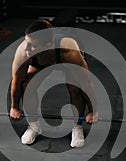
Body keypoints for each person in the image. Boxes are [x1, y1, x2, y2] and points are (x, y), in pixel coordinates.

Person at [9, 19, 97, 148]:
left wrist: (93, 111)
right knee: (27, 84)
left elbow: (86, 84)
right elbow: (16, 82)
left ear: (48, 45)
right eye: (26, 42)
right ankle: (34, 126)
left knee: (75, 87)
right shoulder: (23, 52)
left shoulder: (69, 51)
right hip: (41, 59)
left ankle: (77, 127)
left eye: (32, 45)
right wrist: (15, 107)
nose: (26, 48)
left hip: (62, 58)